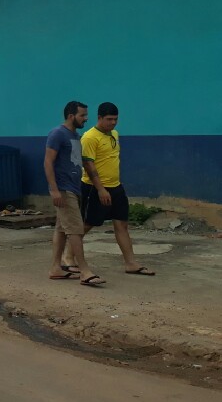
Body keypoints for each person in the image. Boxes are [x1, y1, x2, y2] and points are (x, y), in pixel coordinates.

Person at [76, 103, 156, 276]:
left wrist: (111, 187)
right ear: (99, 118)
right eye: (109, 119)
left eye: (115, 119)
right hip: (94, 188)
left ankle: (131, 263)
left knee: (122, 224)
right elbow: (88, 165)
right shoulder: (89, 138)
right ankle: (68, 257)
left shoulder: (114, 134)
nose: (112, 123)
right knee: (87, 224)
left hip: (116, 187)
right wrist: (100, 190)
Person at [44, 101, 103, 286]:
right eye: (82, 115)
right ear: (71, 116)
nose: (86, 119)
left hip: (74, 188)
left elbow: (81, 162)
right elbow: (48, 162)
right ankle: (85, 271)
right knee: (76, 230)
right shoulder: (57, 134)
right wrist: (54, 190)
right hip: (64, 189)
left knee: (61, 230)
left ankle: (56, 268)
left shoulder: (75, 136)